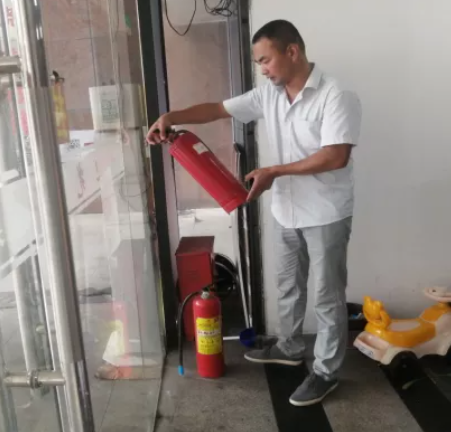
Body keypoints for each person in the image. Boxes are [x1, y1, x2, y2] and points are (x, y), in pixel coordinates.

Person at [147, 19, 362, 407]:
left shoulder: (336, 94)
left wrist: (273, 172)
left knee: (327, 295)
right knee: (288, 284)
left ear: (292, 51)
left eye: (265, 60)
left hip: (326, 212)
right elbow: (218, 109)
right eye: (258, 63)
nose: (262, 69)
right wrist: (172, 117)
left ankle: (326, 372)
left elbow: (335, 156)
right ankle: (290, 346)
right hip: (287, 209)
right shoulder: (269, 95)